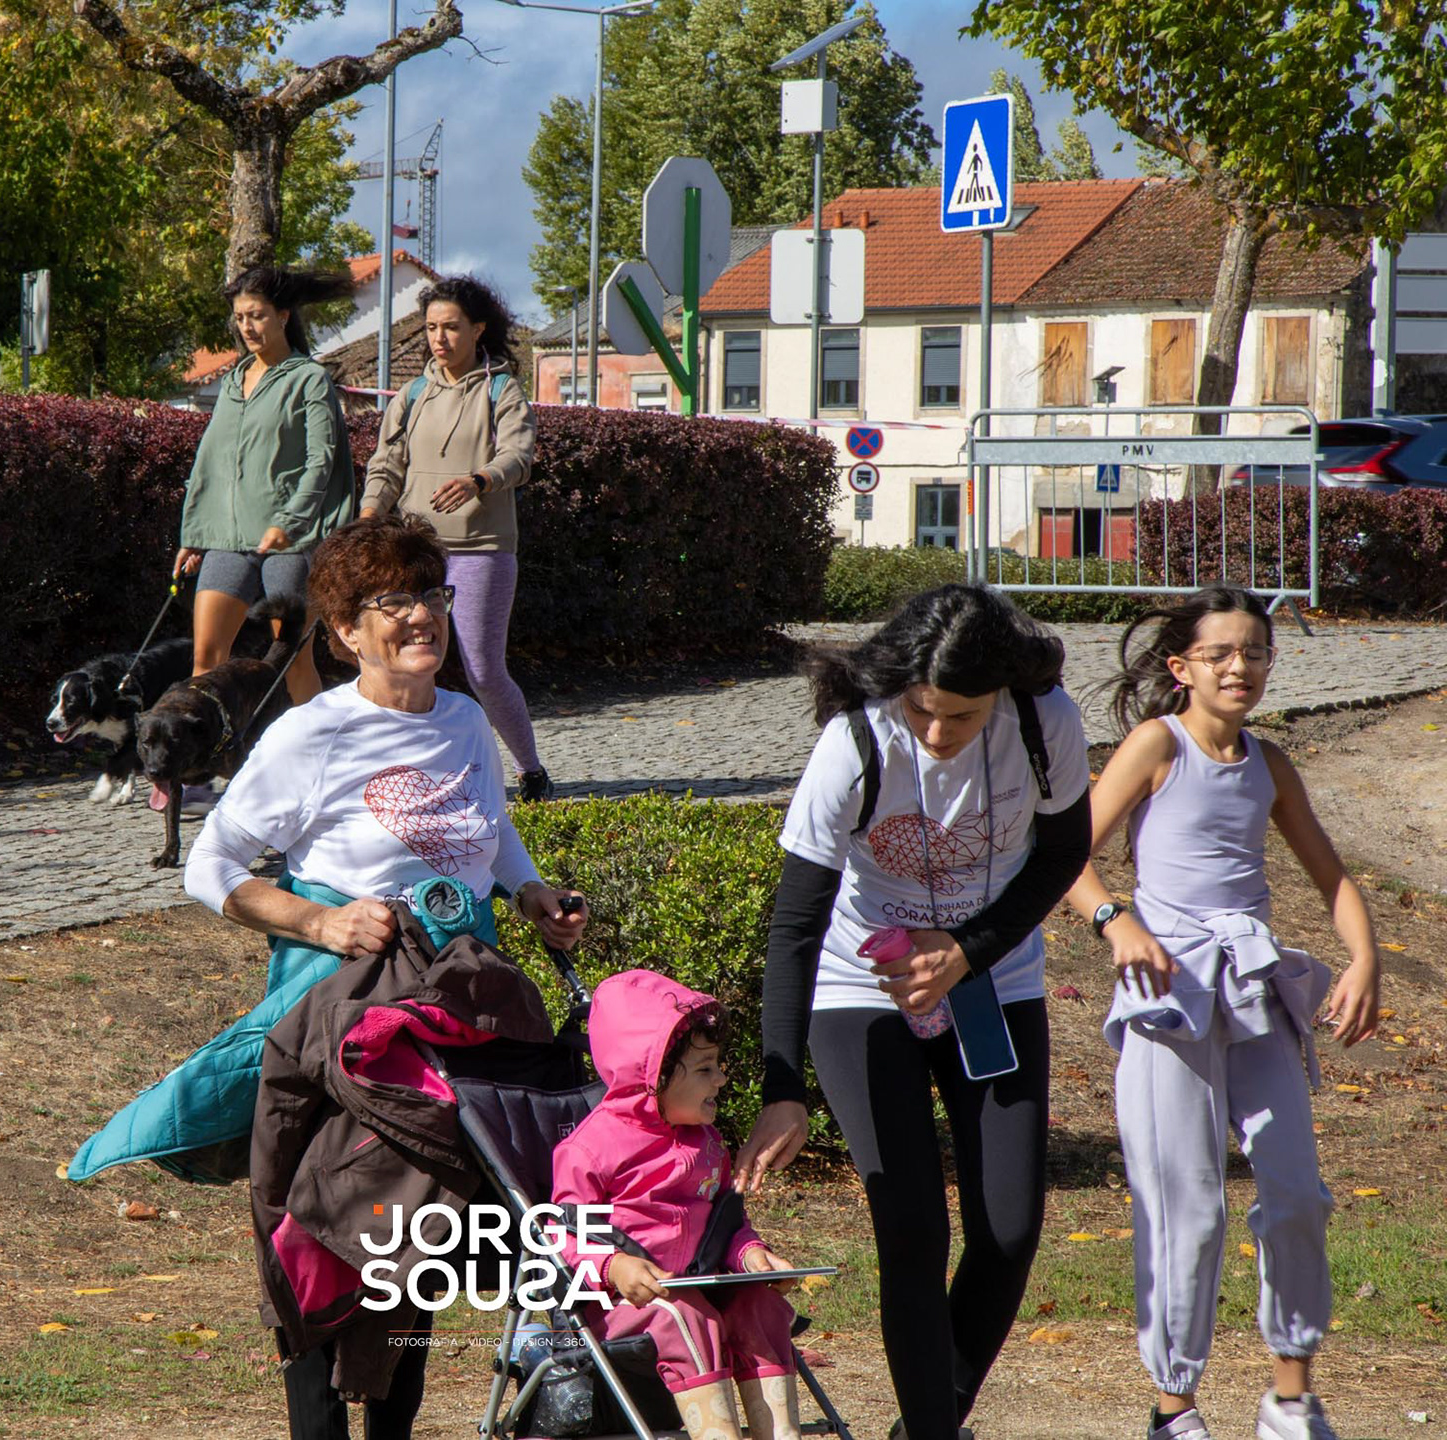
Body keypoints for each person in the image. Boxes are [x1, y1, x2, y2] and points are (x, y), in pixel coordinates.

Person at [183, 513, 587, 1440]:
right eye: (391, 602)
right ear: (345, 631)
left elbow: (488, 828)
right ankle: (317, 1420)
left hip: (455, 1023)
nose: (420, 616)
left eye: (430, 595)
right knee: (326, 1232)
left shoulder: (465, 720)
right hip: (342, 1028)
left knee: (422, 1243)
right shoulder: (312, 734)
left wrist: (530, 891)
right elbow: (211, 865)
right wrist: (319, 920)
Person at [735, 583, 1094, 1440]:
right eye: (923, 709)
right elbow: (795, 924)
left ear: (1002, 690)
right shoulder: (856, 739)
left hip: (993, 980)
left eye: (963, 715)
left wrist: (968, 949)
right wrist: (783, 1087)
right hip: (860, 990)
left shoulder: (1045, 722)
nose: (938, 733)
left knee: (1008, 1230)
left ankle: (929, 1422)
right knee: (911, 1231)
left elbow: (1062, 856)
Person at [1063, 587, 1380, 1440]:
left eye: (1255, 652)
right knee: (1188, 1207)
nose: (1240, 667)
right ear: (1183, 668)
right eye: (1221, 654)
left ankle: (1290, 1398)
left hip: (1253, 993)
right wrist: (1116, 920)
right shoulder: (1155, 744)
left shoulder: (1269, 763)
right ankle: (1174, 1408)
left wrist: (1365, 958)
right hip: (1167, 1002)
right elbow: (1066, 858)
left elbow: (1332, 876)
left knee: (1297, 1192)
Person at [553, 970, 805, 1440]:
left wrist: (752, 1255)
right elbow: (561, 1235)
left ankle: (779, 1433)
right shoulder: (590, 1149)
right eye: (706, 1068)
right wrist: (612, 1266)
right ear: (652, 1076)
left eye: (718, 1065)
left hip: (700, 1288)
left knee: (760, 1304)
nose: (722, 1078)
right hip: (620, 1304)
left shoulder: (707, 1143)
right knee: (684, 1314)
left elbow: (727, 1223)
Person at [359, 275, 553, 801]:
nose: (438, 338)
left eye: (450, 327)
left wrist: (479, 480)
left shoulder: (501, 390)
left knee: (484, 671)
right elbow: (386, 464)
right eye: (430, 328)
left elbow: (519, 457)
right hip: (418, 551)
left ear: (478, 329)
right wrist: (370, 515)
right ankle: (426, 773)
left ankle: (531, 770)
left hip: (481, 549)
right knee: (410, 665)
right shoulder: (412, 394)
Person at [176, 264, 359, 711]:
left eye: (256, 315)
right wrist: (195, 535)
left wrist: (289, 522)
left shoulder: (308, 378)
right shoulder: (233, 381)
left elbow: (322, 460)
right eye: (240, 318)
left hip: (291, 542)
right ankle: (206, 752)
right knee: (205, 658)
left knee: (291, 659)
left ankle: (314, 747)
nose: (247, 327)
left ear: (282, 316)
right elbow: (211, 461)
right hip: (229, 540)